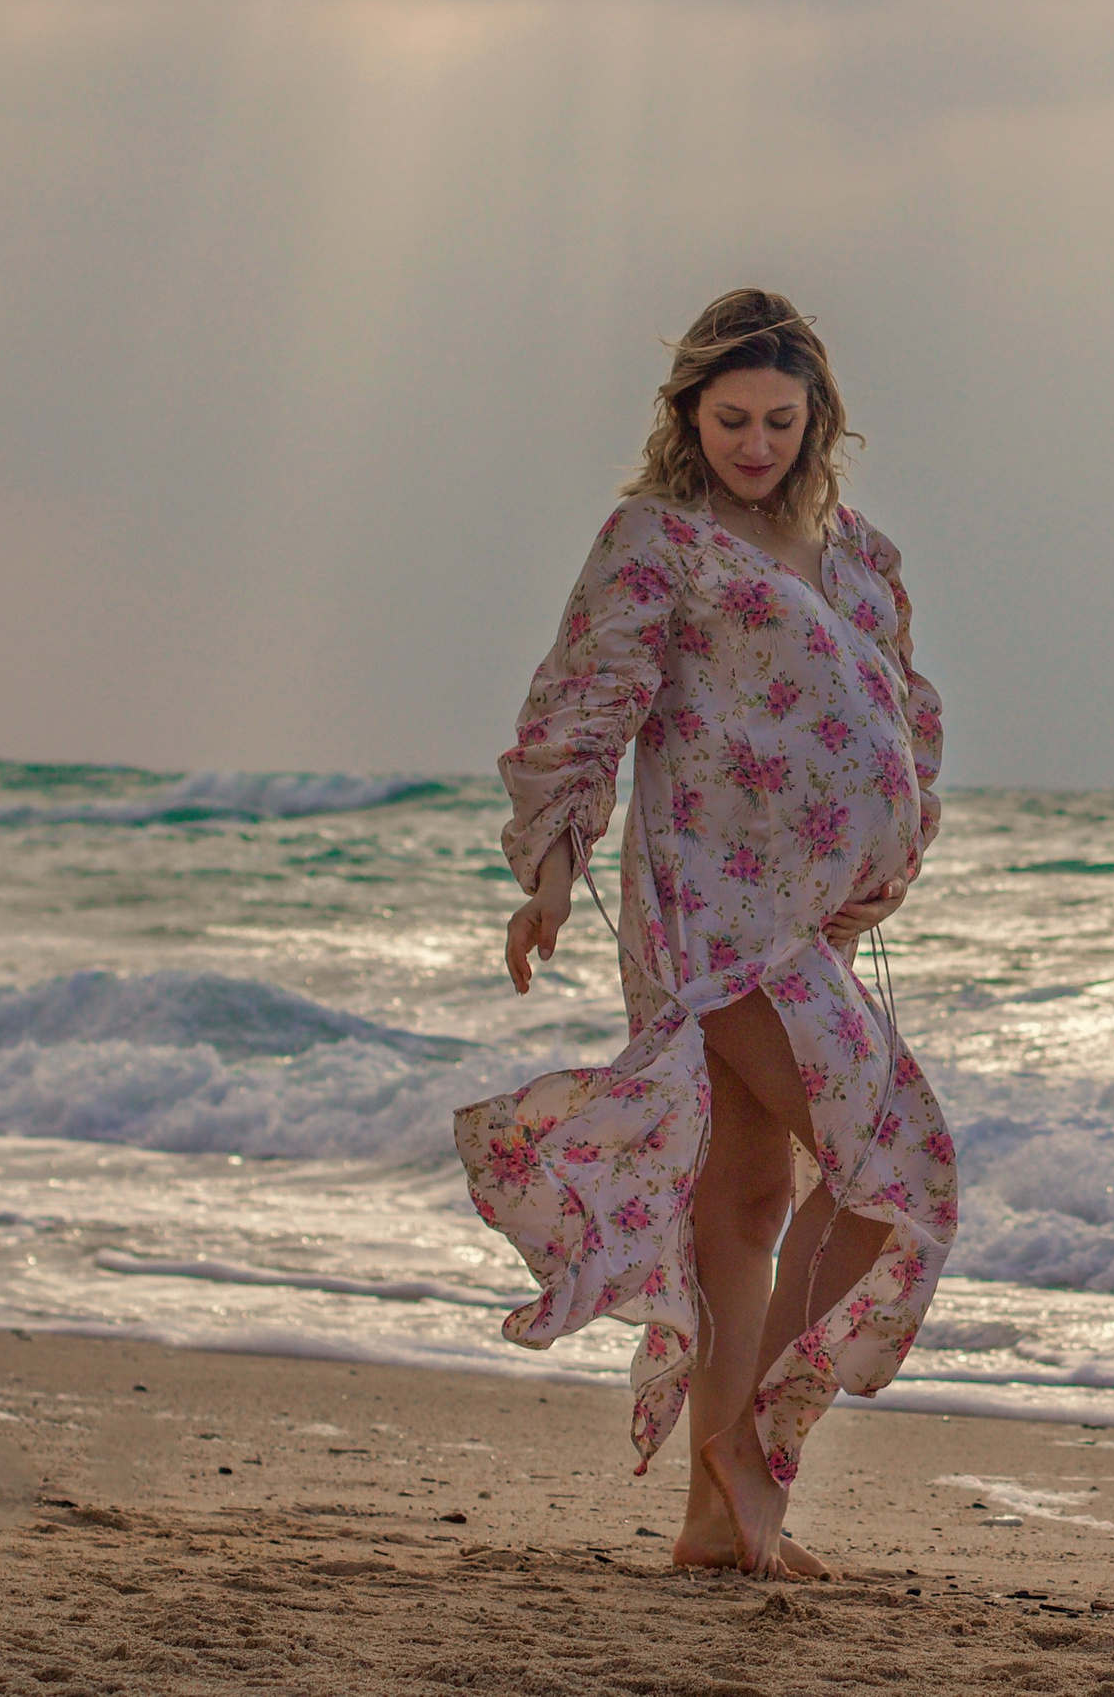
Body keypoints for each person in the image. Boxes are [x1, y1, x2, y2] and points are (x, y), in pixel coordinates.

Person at [456, 287, 953, 1579]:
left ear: (815, 419)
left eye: (779, 420)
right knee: (891, 1169)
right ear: (689, 413)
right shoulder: (656, 539)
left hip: (813, 928)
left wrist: (892, 852)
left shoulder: (857, 556)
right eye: (731, 418)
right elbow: (586, 701)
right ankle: (749, 1455)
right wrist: (551, 875)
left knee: (739, 1206)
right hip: (713, 922)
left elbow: (904, 715)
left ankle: (713, 1525)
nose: (755, 442)